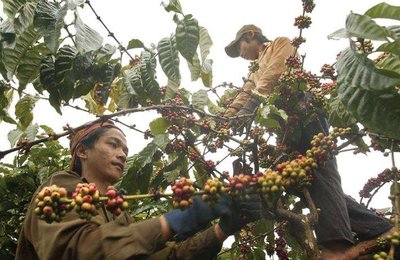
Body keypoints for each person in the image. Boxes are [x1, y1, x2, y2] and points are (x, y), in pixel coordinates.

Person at [224, 24, 395, 259]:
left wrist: (252, 105)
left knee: (320, 168)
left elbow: (277, 70)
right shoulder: (254, 69)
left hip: (304, 110)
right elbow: (247, 90)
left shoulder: (280, 43)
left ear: (252, 36)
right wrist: (227, 116)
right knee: (304, 179)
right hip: (287, 126)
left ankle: (336, 242)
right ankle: (376, 228)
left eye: (239, 46)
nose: (240, 53)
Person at [16, 120, 262, 259]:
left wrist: (221, 231)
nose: (122, 154)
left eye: (125, 150)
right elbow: (83, 251)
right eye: (113, 145)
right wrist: (178, 218)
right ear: (82, 151)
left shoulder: (119, 213)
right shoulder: (59, 188)